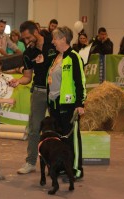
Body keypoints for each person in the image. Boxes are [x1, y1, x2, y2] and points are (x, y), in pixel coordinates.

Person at [8, 21, 56, 174]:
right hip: (38, 92)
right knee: (34, 129)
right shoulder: (28, 53)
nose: (27, 41)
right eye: (24, 40)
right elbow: (27, 77)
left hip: (56, 93)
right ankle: (30, 162)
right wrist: (18, 81)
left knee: (58, 128)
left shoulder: (54, 43)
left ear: (36, 30)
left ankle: (58, 163)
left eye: (28, 37)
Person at [48, 26, 86, 182]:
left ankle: (76, 168)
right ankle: (64, 167)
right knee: (61, 139)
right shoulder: (55, 57)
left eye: (55, 38)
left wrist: (80, 103)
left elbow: (80, 82)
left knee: (71, 139)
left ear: (64, 39)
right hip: (54, 103)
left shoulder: (74, 57)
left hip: (69, 105)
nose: (53, 41)